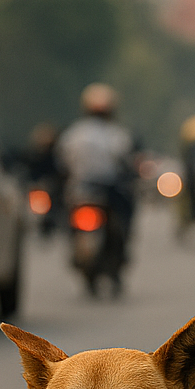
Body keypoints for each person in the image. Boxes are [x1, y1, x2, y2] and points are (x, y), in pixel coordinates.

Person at [55, 83, 139, 260]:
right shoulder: (117, 134)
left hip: (80, 187)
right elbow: (126, 160)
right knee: (125, 213)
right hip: (109, 188)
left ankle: (73, 244)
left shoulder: (74, 133)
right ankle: (122, 247)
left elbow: (62, 161)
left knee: (65, 211)